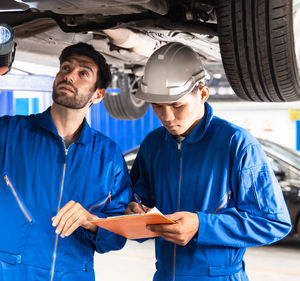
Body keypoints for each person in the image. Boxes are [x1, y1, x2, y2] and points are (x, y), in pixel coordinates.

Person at [0, 42, 132, 281]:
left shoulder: (109, 156)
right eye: (65, 68)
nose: (69, 75)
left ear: (98, 94)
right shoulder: (7, 135)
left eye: (83, 73)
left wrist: (91, 221)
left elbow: (117, 236)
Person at [125, 42, 291, 281]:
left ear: (202, 93)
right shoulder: (153, 144)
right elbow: (140, 201)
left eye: (177, 105)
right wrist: (136, 214)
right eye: (158, 106)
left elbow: (273, 221)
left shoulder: (237, 143)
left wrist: (202, 226)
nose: (167, 117)